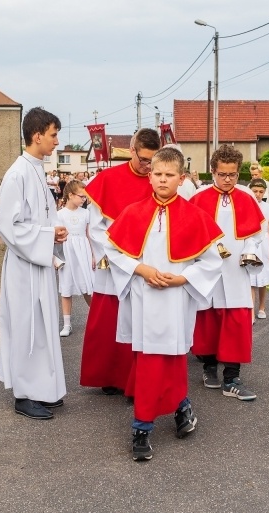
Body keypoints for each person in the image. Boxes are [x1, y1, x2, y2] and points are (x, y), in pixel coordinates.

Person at [106, 147, 223, 460]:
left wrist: (184, 279)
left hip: (175, 299)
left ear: (181, 178)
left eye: (169, 175)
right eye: (157, 173)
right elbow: (115, 252)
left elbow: (211, 262)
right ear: (149, 175)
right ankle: (143, 426)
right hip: (145, 300)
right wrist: (141, 268)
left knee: (173, 358)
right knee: (148, 362)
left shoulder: (195, 216)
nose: (162, 179)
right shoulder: (132, 212)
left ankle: (181, 406)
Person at [0, 107, 68, 421]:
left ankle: (43, 389)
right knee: (26, 327)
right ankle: (24, 395)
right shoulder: (18, 173)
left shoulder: (36, 168)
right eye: (53, 135)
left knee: (42, 327)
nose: (56, 141)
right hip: (24, 267)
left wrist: (55, 233)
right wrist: (48, 234)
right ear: (37, 135)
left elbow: (38, 218)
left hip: (37, 261)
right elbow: (6, 226)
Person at [80, 128, 161, 395]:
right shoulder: (107, 179)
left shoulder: (157, 181)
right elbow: (95, 226)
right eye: (143, 158)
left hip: (144, 260)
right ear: (132, 150)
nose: (147, 165)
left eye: (152, 160)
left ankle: (137, 377)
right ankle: (110, 376)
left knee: (141, 318)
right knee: (109, 317)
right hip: (114, 260)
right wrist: (119, 254)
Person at [190, 144, 264, 401]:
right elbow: (189, 233)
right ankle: (209, 368)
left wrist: (250, 252)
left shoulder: (246, 196)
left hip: (235, 269)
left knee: (235, 319)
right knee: (207, 318)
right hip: (208, 267)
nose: (228, 179)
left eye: (232, 174)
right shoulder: (198, 197)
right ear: (213, 171)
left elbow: (255, 234)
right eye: (222, 174)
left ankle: (232, 378)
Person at [57, 180, 94, 337]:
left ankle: (95, 319)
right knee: (66, 287)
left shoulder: (86, 213)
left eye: (85, 197)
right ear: (71, 195)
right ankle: (67, 324)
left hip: (83, 250)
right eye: (81, 196)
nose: (84, 199)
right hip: (67, 251)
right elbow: (57, 238)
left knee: (88, 286)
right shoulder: (60, 215)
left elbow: (89, 234)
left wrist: (93, 255)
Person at [248, 179, 269, 321]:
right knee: (251, 279)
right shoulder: (246, 205)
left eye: (261, 192)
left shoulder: (268, 207)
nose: (258, 194)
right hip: (251, 243)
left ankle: (262, 307)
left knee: (263, 278)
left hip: (265, 245)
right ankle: (251, 311)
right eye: (255, 191)